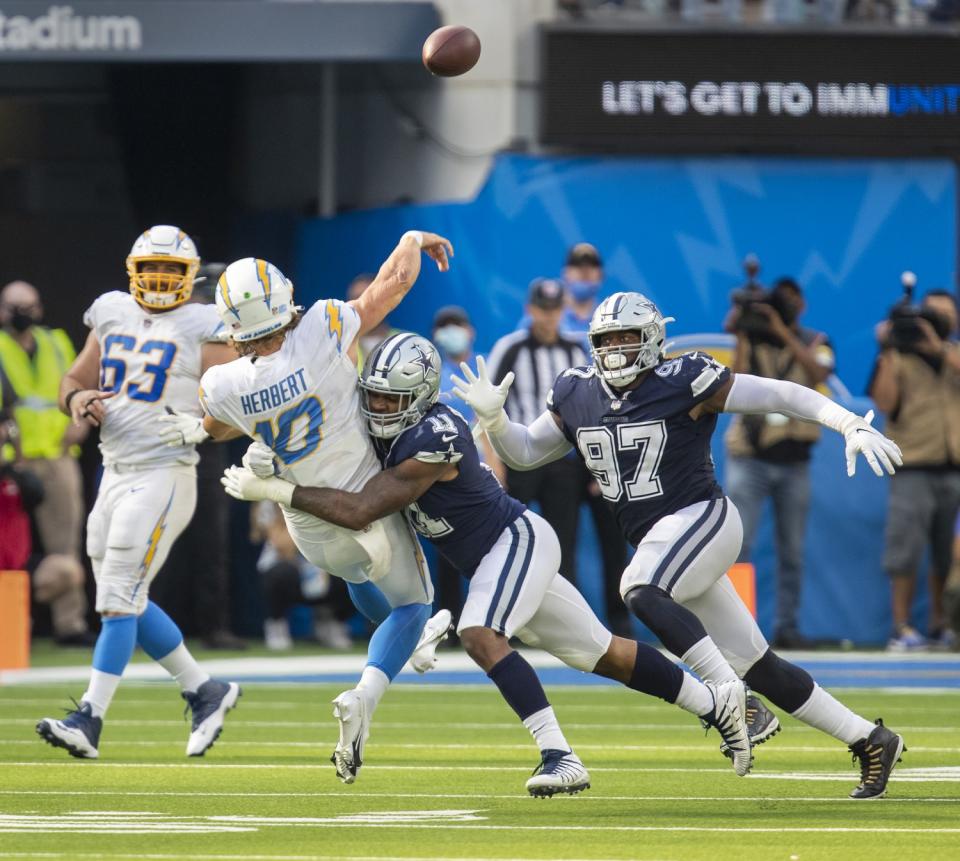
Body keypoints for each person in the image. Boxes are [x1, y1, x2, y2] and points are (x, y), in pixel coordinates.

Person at [221, 333, 753, 795]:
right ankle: (717, 705)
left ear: (420, 397)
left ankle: (558, 756)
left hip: (515, 541)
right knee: (605, 655)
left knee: (479, 632)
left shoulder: (436, 433)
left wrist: (277, 489)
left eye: (392, 400)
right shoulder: (373, 428)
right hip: (493, 560)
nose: (379, 409)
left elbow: (361, 507)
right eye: (374, 397)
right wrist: (277, 454)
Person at [455, 291, 909, 800]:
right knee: (759, 665)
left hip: (702, 518)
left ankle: (725, 695)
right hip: (663, 542)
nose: (616, 349)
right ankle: (870, 739)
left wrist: (846, 422)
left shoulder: (684, 377)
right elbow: (525, 453)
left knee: (640, 587)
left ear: (651, 338)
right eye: (606, 340)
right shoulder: (576, 391)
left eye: (627, 337)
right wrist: (496, 423)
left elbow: (781, 394)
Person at [196, 232, 456, 784]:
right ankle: (366, 693)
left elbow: (216, 426)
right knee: (414, 605)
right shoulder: (319, 327)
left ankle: (404, 643)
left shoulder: (222, 382)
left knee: (354, 570)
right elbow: (393, 285)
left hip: (307, 525)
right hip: (362, 499)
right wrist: (409, 240)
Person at [36, 225, 241, 760]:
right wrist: (79, 399)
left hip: (164, 471)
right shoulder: (110, 310)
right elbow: (73, 380)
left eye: (171, 270)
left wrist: (201, 424)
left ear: (189, 277)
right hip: (114, 470)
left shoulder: (205, 323)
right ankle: (205, 690)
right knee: (125, 596)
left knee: (117, 596)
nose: (159, 278)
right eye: (150, 267)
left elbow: (229, 408)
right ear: (132, 269)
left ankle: (89, 716)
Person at [724, 277, 836, 648]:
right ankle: (736, 629)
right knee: (738, 544)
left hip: (795, 460)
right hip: (750, 456)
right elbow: (733, 382)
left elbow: (820, 375)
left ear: (800, 305)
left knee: (792, 549)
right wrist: (743, 331)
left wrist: (782, 332)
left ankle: (787, 626)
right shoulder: (753, 339)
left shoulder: (818, 341)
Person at [0, 280, 93, 646]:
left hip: (56, 452)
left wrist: (81, 420)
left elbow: (77, 382)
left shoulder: (56, 342)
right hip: (12, 462)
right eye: (13, 306)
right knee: (9, 549)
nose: (21, 314)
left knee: (66, 545)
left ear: (39, 308)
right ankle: (11, 625)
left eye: (28, 306)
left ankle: (69, 624)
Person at [869, 290, 960, 650]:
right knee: (904, 550)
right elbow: (884, 402)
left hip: (953, 466)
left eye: (945, 314)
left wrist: (937, 347)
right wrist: (890, 348)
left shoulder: (952, 353)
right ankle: (902, 626)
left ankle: (942, 624)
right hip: (913, 466)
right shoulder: (899, 357)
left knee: (945, 553)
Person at [486, 279, 587, 585]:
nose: (549, 316)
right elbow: (488, 406)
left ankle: (569, 625)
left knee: (563, 543)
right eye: (543, 310)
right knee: (511, 538)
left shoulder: (575, 349)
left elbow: (589, 405)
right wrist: (494, 461)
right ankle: (509, 613)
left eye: (554, 309)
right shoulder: (511, 347)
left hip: (563, 460)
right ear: (530, 310)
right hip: (518, 457)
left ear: (563, 309)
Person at [251, 501, 353, 650]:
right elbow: (283, 546)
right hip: (286, 569)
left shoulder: (323, 494)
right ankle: (276, 624)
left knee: (348, 571)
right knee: (281, 573)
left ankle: (332, 621)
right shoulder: (269, 503)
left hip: (320, 565)